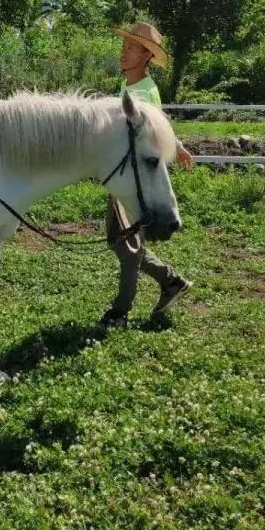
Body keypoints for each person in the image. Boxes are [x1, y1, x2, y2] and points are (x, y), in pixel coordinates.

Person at [100, 22, 195, 328]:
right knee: (120, 239)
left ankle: (121, 311)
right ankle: (170, 281)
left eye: (131, 48)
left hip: (136, 180)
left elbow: (154, 129)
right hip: (124, 176)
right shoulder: (131, 86)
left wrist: (176, 146)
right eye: (123, 47)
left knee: (126, 243)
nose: (123, 53)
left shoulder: (143, 91)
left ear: (147, 56)